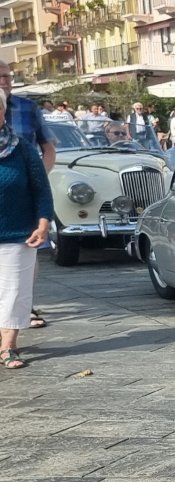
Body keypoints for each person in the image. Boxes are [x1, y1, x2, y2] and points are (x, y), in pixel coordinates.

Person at [0, 90, 54, 369]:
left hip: (18, 233)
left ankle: (8, 347)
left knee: (15, 291)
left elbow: (41, 189)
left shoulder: (21, 148)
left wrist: (43, 222)